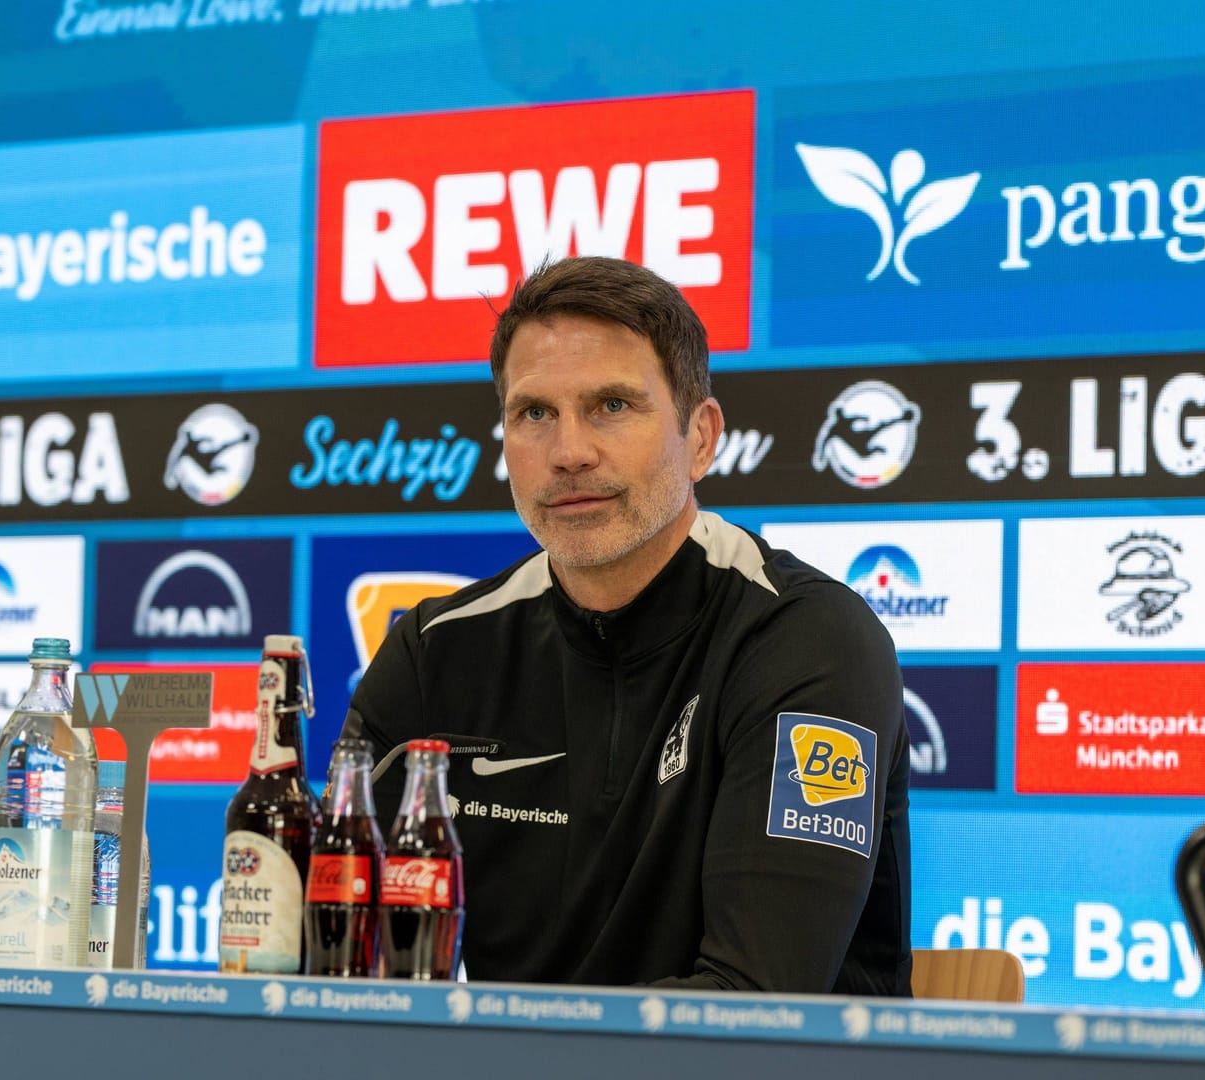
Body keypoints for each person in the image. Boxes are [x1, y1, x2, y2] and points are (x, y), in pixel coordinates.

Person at [342, 256, 911, 995]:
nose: (570, 452)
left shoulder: (807, 639)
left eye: (612, 405)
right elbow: (320, 939)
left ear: (701, 437)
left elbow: (754, 1004)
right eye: (534, 413)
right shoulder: (435, 648)